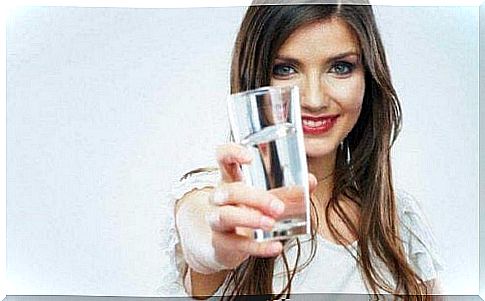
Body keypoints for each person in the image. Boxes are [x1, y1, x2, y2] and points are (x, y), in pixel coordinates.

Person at [163, 2, 444, 300]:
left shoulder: (396, 217)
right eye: (285, 69)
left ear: (368, 78)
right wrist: (217, 247)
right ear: (255, 78)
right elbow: (202, 236)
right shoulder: (218, 199)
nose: (314, 99)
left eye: (340, 67)